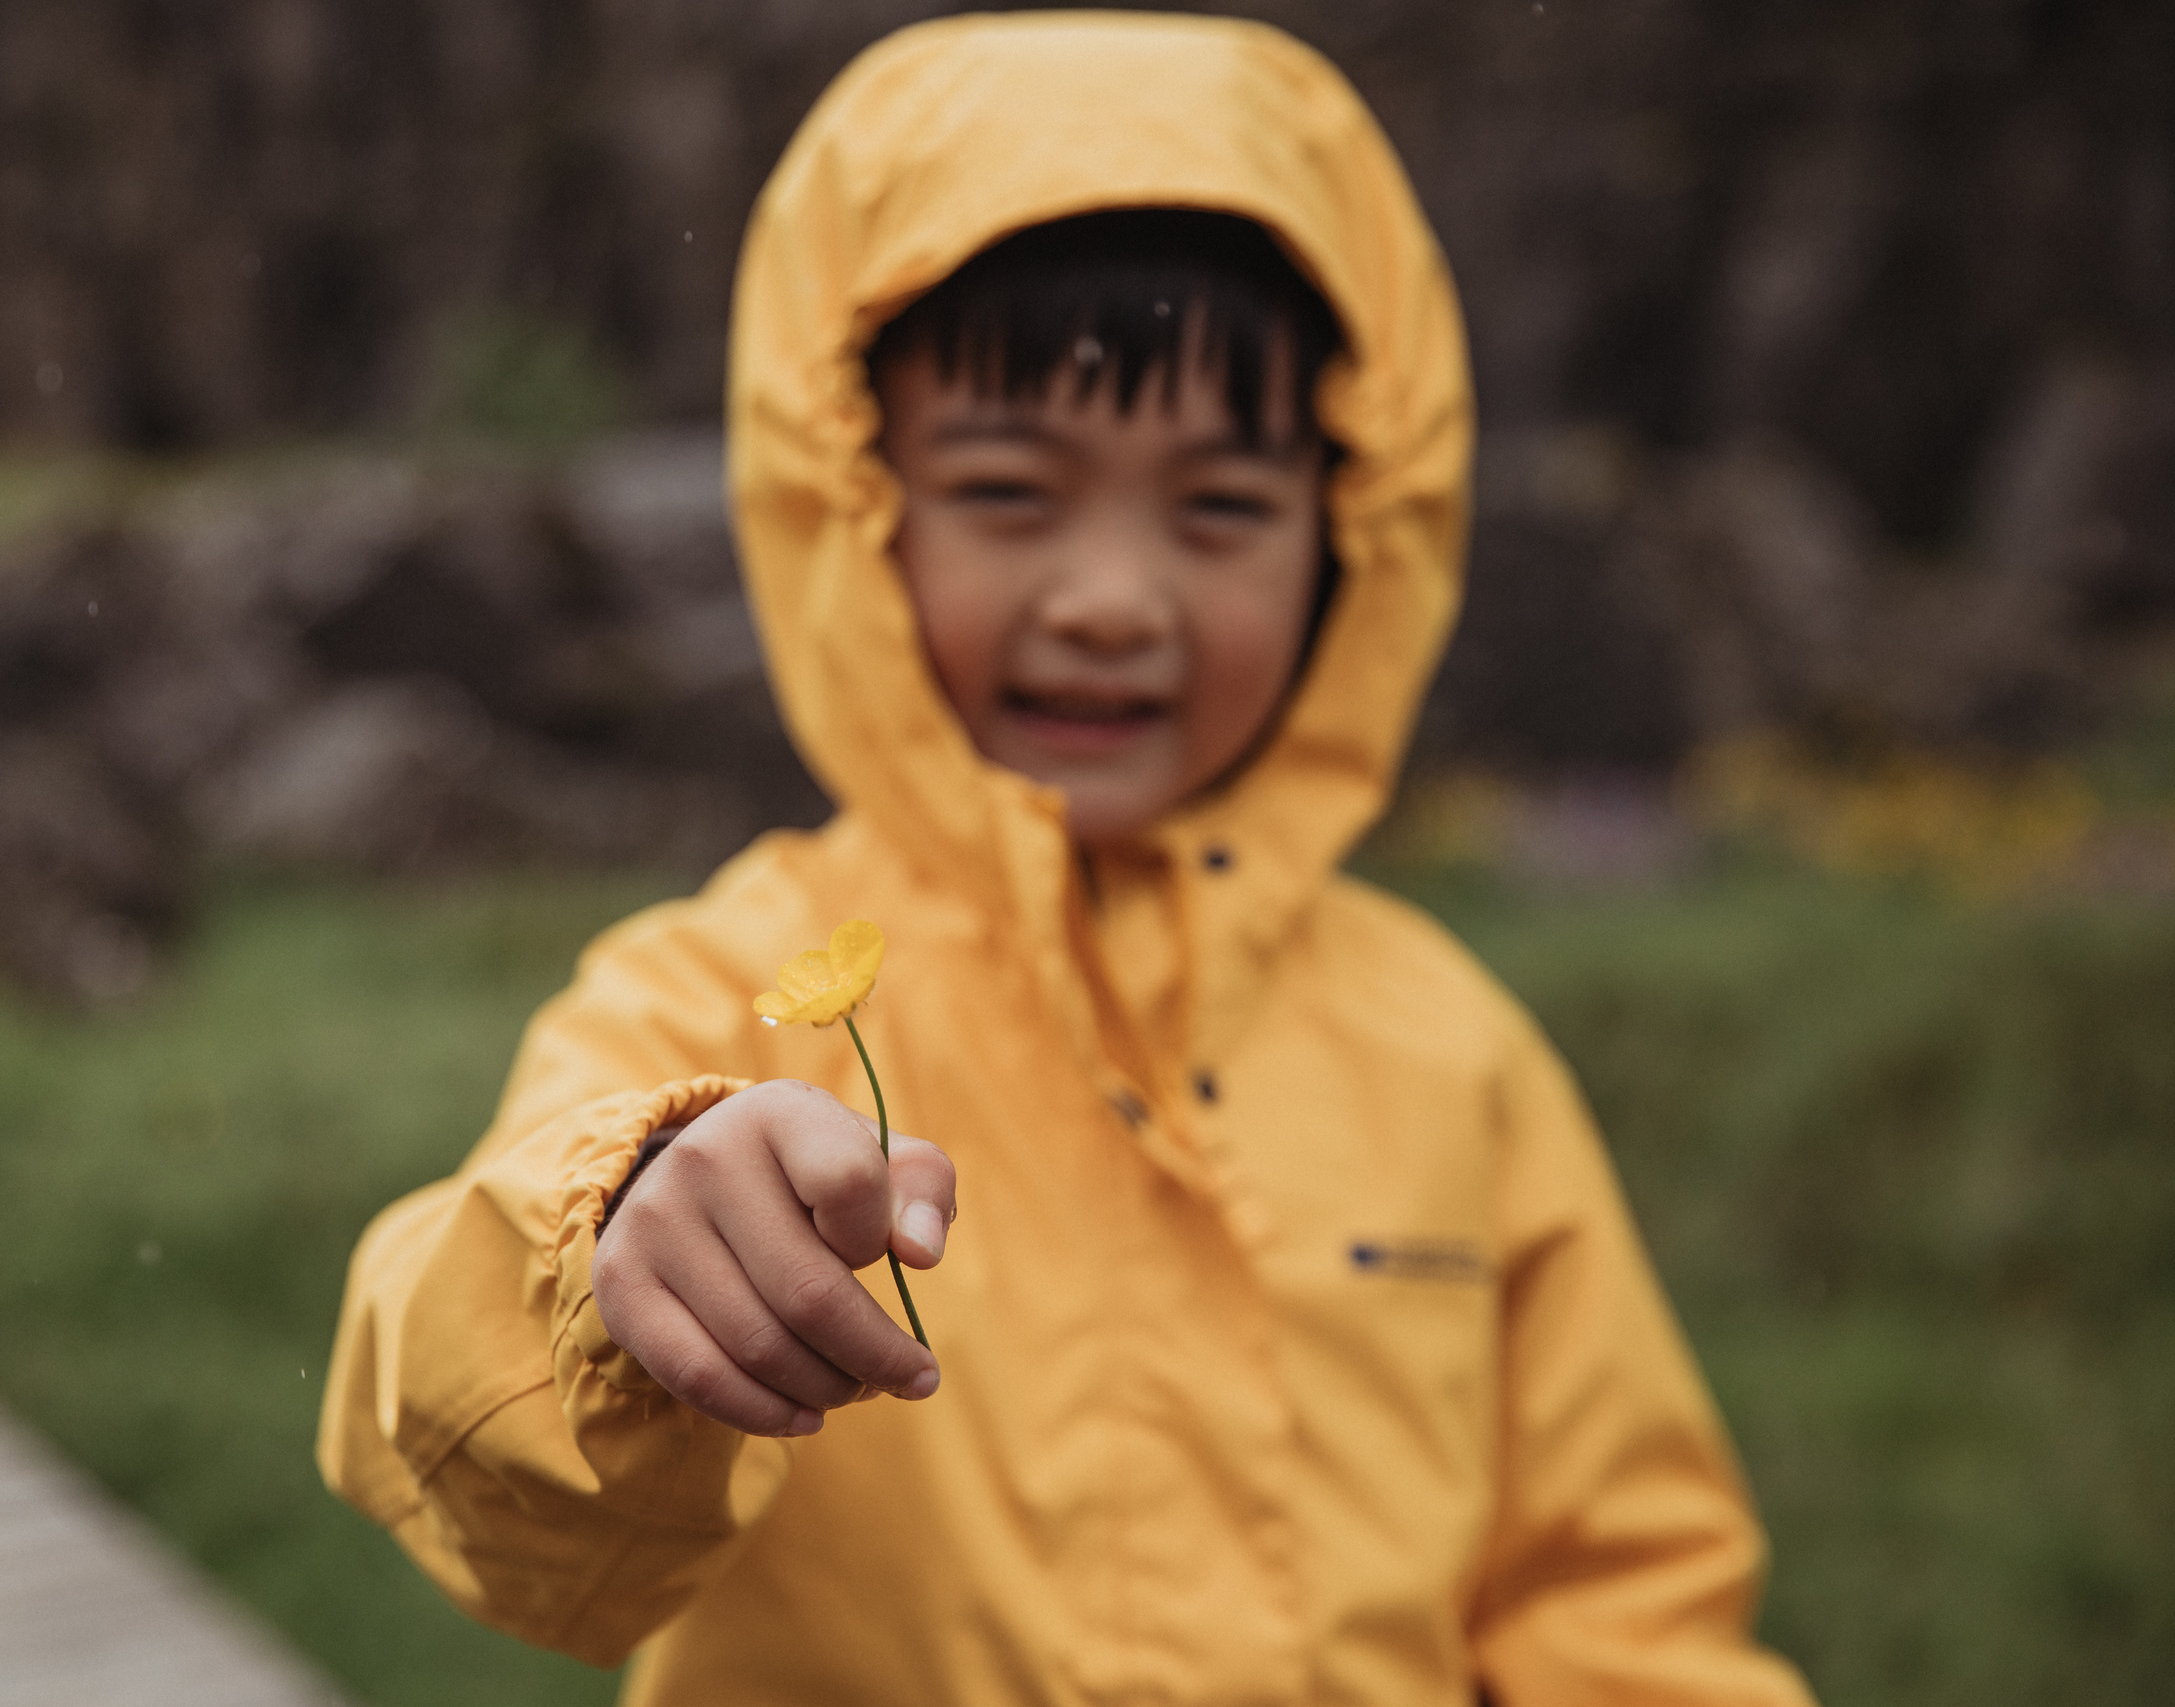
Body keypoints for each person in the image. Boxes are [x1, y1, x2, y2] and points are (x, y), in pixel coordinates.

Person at [318, 14, 1817, 1705]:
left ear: (1356, 537)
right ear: (855, 505)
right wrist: (613, 1266)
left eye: (1220, 510)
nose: (1112, 597)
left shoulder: (1455, 1059)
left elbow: (1615, 1602)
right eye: (1013, 493)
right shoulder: (711, 994)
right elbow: (473, 1475)